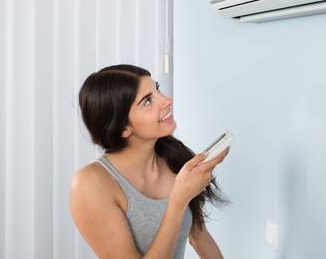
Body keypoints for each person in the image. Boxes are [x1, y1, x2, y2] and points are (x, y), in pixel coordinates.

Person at [70, 64, 229, 258]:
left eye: (157, 89)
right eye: (147, 101)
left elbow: (199, 236)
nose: (166, 101)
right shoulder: (90, 183)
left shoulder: (174, 158)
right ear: (123, 128)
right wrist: (178, 199)